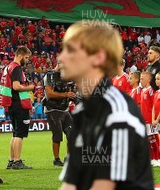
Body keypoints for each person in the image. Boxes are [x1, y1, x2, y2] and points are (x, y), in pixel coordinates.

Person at [58, 21, 153, 190]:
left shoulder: (118, 112)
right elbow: (71, 184)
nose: (61, 57)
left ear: (98, 57)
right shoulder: (82, 112)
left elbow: (104, 185)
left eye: (70, 50)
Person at [1, 46, 34, 170]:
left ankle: (11, 160)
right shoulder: (16, 68)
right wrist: (29, 88)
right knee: (19, 134)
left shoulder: (8, 67)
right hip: (19, 104)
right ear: (20, 56)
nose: (27, 60)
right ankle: (17, 161)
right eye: (26, 57)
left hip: (11, 104)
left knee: (15, 133)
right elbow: (16, 86)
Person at [43, 60, 75, 167]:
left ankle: (69, 158)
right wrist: (66, 95)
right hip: (52, 109)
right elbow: (50, 94)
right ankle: (56, 160)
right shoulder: (49, 76)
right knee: (57, 135)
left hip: (64, 109)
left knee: (72, 134)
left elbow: (70, 90)